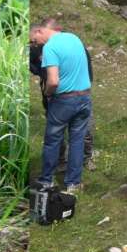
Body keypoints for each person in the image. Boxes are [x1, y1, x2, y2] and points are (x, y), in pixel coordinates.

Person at [31, 20, 92, 194]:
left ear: (40, 31)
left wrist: (49, 94)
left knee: (52, 140)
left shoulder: (50, 48)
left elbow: (53, 80)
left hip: (64, 100)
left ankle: (46, 180)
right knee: (77, 140)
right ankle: (73, 183)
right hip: (85, 97)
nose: (36, 45)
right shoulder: (74, 38)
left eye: (34, 40)